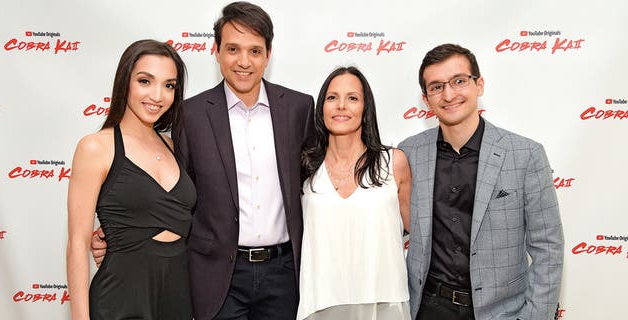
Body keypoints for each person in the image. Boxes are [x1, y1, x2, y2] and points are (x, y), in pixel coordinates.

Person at [91, 2, 315, 319]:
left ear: (268, 53)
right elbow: (172, 191)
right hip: (216, 275)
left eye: (254, 50)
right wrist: (115, 232)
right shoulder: (189, 116)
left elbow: (319, 180)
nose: (243, 61)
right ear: (216, 50)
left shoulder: (299, 108)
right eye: (233, 49)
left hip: (284, 273)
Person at [398, 43, 564, 320]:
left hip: (503, 312)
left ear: (479, 85)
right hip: (427, 309)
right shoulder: (408, 153)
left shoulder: (525, 154)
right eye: (436, 87)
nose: (449, 94)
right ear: (426, 100)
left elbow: (548, 247)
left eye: (459, 81)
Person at [66, 39, 194, 320]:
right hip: (120, 301)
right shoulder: (96, 148)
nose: (157, 95)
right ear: (125, 81)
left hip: (177, 301)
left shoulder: (173, 146)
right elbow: (77, 244)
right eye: (145, 81)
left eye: (169, 85)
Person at [297, 66, 411, 320]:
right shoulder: (305, 168)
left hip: (385, 304)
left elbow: (419, 234)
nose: (341, 106)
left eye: (352, 98)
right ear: (321, 108)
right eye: (332, 97)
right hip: (320, 305)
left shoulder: (394, 163)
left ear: (365, 108)